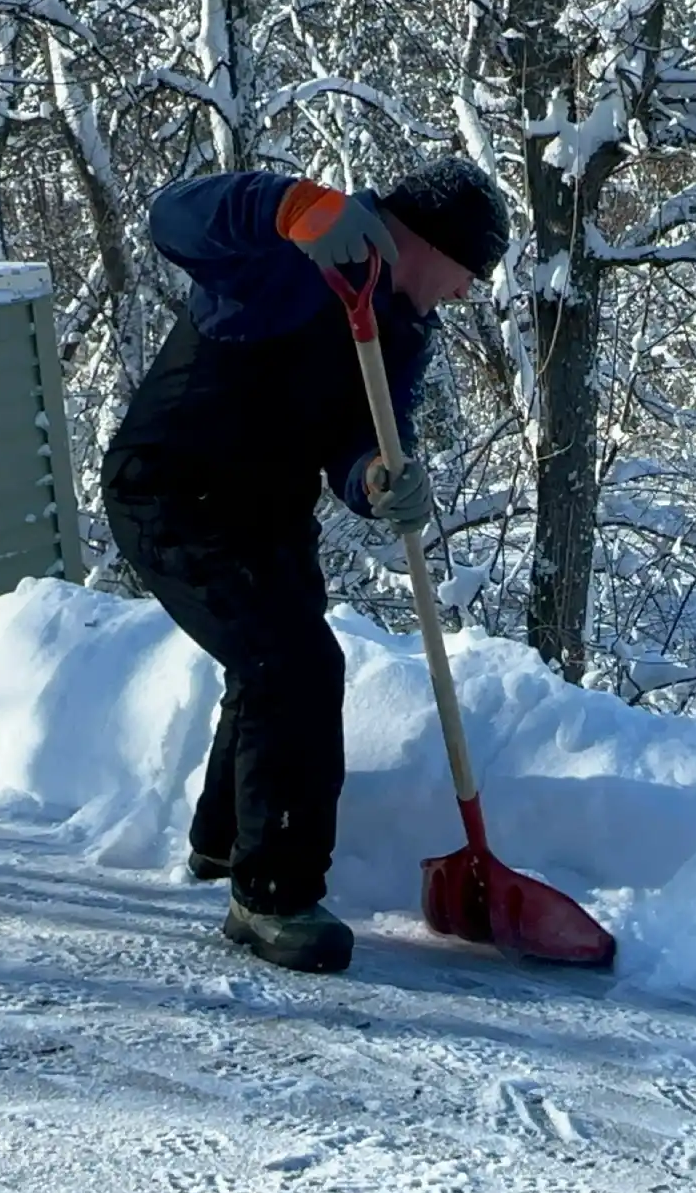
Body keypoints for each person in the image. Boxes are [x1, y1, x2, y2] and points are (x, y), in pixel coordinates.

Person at [100, 158, 509, 974]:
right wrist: (290, 205)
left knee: (272, 659)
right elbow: (171, 215)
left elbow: (358, 441)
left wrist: (376, 477)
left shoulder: (400, 329)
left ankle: (224, 844)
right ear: (431, 245)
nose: (466, 294)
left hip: (268, 515)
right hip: (176, 492)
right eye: (470, 271)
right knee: (296, 666)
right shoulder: (289, 253)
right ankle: (273, 895)